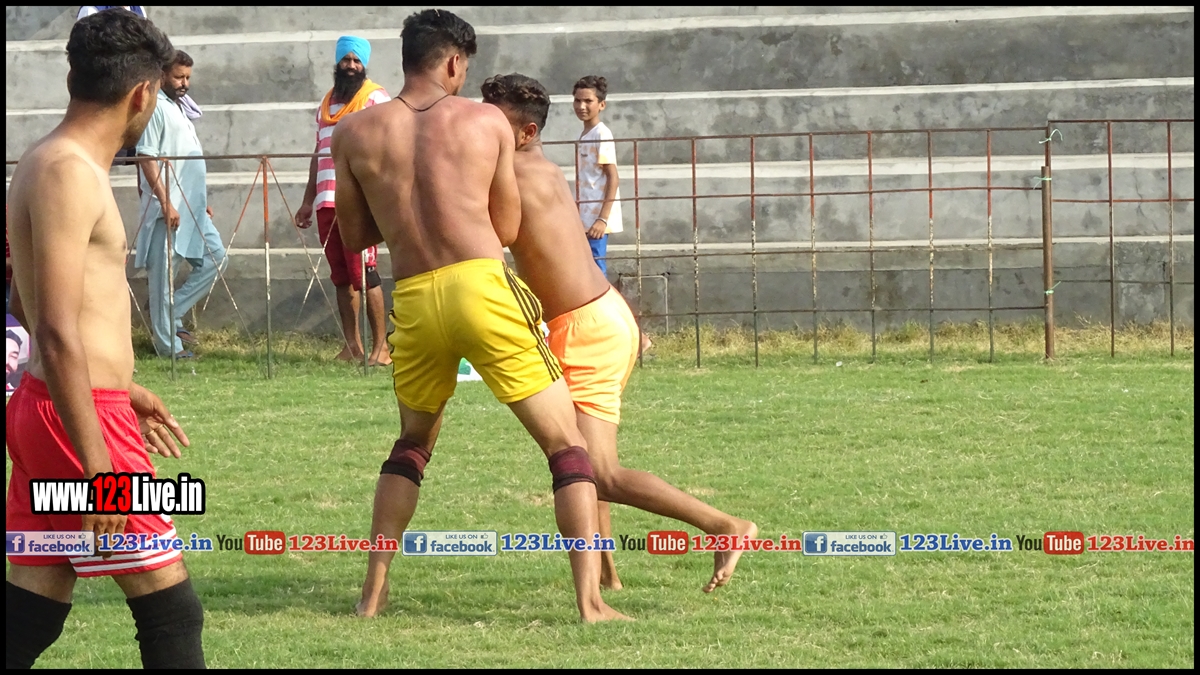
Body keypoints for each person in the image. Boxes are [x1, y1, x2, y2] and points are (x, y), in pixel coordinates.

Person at [332, 9, 628, 623]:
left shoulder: (353, 131)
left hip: (414, 295)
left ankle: (372, 596)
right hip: (480, 285)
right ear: (453, 62)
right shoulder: (485, 121)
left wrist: (409, 215)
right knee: (567, 446)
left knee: (412, 445)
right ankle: (590, 602)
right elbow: (509, 227)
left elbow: (355, 236)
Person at [483, 73, 758, 593]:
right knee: (582, 462)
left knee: (598, 471)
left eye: (490, 119)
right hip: (593, 318)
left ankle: (724, 526)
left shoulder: (515, 173)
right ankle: (607, 577)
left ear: (525, 132)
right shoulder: (535, 167)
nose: (478, 127)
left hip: (587, 328)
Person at [5, 9, 204, 668]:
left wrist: (125, 384)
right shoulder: (69, 172)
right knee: (170, 609)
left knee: (30, 610)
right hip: (80, 420)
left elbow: (27, 304)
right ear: (143, 93)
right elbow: (56, 327)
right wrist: (99, 467)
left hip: (60, 406)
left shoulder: (46, 160)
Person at [294, 36, 392, 366]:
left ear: (364, 65)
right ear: (337, 62)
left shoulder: (375, 98)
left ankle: (382, 349)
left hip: (358, 202)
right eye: (345, 60)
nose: (351, 66)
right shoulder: (326, 104)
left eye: (356, 60)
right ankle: (352, 346)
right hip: (326, 201)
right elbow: (318, 153)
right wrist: (308, 201)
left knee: (366, 273)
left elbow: (387, 146)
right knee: (340, 277)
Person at [134, 49, 226, 358]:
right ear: (162, 75)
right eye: (178, 77)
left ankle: (170, 313)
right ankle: (169, 348)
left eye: (187, 77)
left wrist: (200, 201)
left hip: (192, 207)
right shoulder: (155, 108)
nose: (184, 83)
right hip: (168, 209)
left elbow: (187, 163)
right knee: (163, 278)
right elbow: (146, 157)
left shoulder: (180, 108)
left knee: (215, 258)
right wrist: (166, 202)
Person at [573, 76, 652, 355]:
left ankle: (635, 337)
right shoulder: (586, 134)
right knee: (591, 278)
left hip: (596, 221)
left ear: (601, 104)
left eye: (588, 101)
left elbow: (612, 177)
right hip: (585, 218)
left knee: (599, 281)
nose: (582, 106)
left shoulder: (601, 134)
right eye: (577, 100)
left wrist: (602, 219)